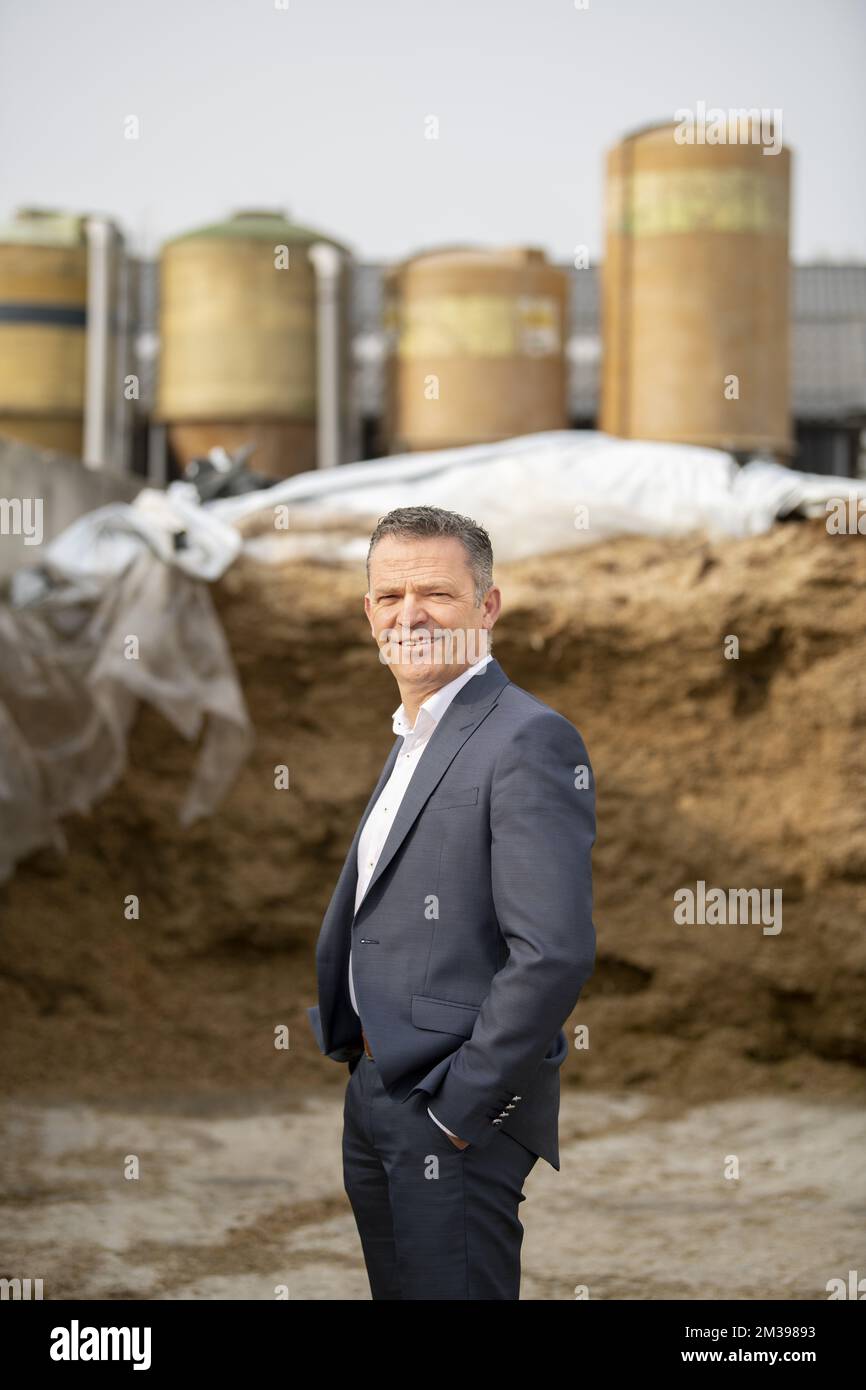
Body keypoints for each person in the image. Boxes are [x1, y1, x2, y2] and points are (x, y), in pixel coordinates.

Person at [307, 504, 596, 1299]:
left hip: (451, 1107)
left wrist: (459, 1110)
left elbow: (554, 952)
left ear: (487, 607)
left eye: (435, 593)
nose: (411, 615)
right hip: (375, 1089)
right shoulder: (416, 735)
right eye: (390, 597)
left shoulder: (527, 740)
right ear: (369, 613)